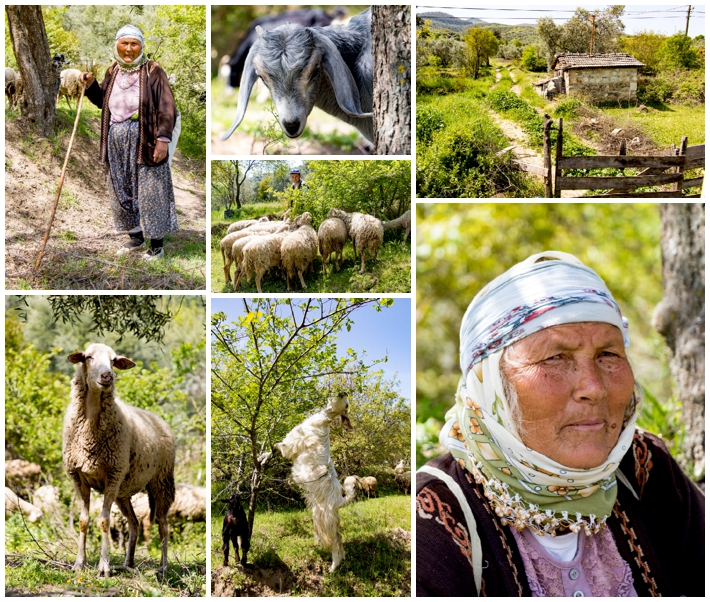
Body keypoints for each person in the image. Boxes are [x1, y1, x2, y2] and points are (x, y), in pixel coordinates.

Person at [416, 251, 704, 597]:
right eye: (555, 357)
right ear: (489, 383)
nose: (594, 388)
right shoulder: (432, 519)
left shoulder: (644, 468)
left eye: (608, 355)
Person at [80, 25, 178, 260]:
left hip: (144, 137)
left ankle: (156, 245)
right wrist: (92, 85)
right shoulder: (113, 70)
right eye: (124, 43)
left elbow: (166, 105)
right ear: (116, 45)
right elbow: (103, 101)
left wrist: (163, 140)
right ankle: (135, 236)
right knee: (120, 187)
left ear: (141, 46)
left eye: (134, 44)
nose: (129, 49)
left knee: (151, 189)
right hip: (115, 137)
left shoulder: (152, 70)